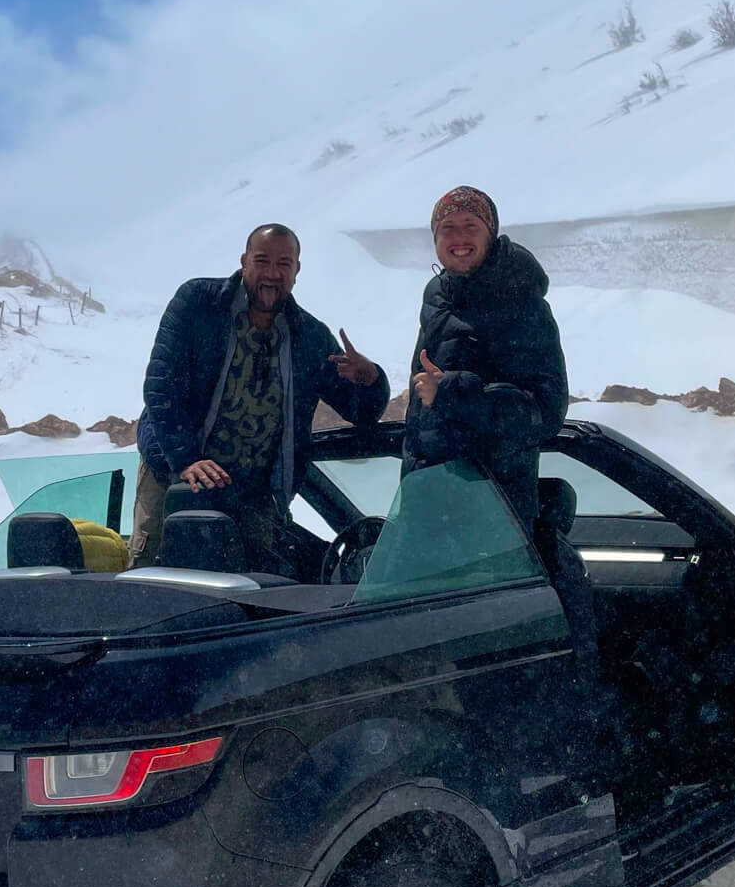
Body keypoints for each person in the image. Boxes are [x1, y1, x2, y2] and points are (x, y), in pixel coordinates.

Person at [402, 186, 598, 691]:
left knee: (490, 663)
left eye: (470, 226)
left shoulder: (521, 302)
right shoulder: (439, 298)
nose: (459, 238)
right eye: (447, 228)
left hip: (493, 515)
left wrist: (457, 393)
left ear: (491, 233)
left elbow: (545, 409)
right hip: (433, 511)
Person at [134, 223, 390, 575]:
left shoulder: (310, 337)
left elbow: (361, 412)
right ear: (244, 262)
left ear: (297, 271)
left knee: (254, 593)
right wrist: (186, 459)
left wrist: (371, 378)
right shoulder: (198, 304)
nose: (272, 274)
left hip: (252, 497)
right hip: (174, 479)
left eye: (284, 264)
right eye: (262, 261)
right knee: (152, 581)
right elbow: (161, 388)